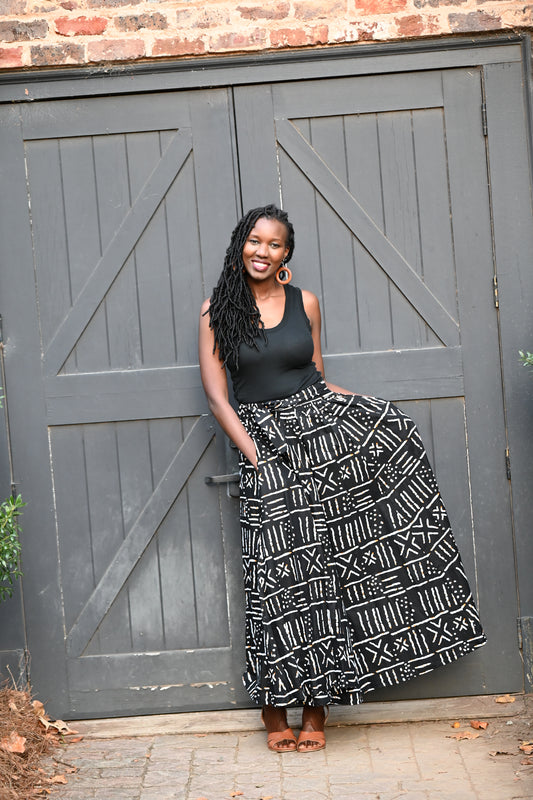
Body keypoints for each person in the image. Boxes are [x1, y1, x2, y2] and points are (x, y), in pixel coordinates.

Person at [198, 204, 486, 754]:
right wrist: (256, 455)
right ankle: (271, 707)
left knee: (328, 576)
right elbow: (218, 397)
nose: (263, 251)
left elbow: (319, 377)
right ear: (241, 245)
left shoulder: (305, 303)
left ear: (287, 254)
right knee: (276, 581)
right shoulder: (217, 313)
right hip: (267, 446)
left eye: (275, 244)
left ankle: (316, 711)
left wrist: (374, 415)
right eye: (254, 241)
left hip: (326, 439)